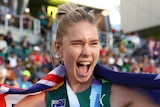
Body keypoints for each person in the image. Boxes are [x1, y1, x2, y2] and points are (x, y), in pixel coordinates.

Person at [15, 3, 160, 107]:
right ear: (59, 49)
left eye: (93, 43)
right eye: (77, 43)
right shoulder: (42, 101)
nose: (87, 52)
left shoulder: (122, 95)